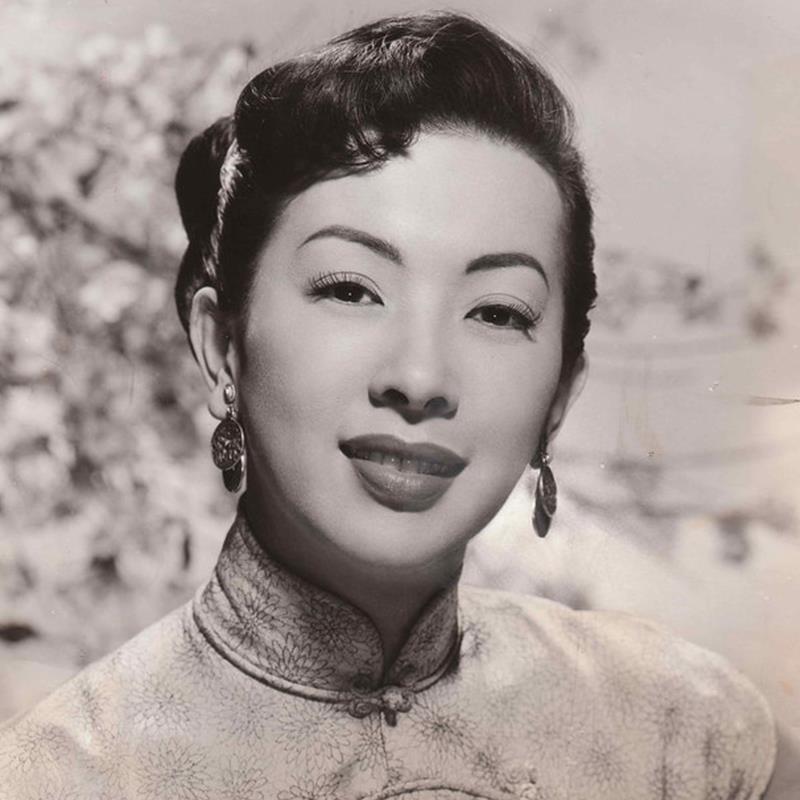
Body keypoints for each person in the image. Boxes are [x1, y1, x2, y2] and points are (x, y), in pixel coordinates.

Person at [0, 12, 776, 800]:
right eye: (350, 290)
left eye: (497, 311)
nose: (420, 375)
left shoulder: (685, 739)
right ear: (221, 346)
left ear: (559, 397)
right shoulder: (68, 776)